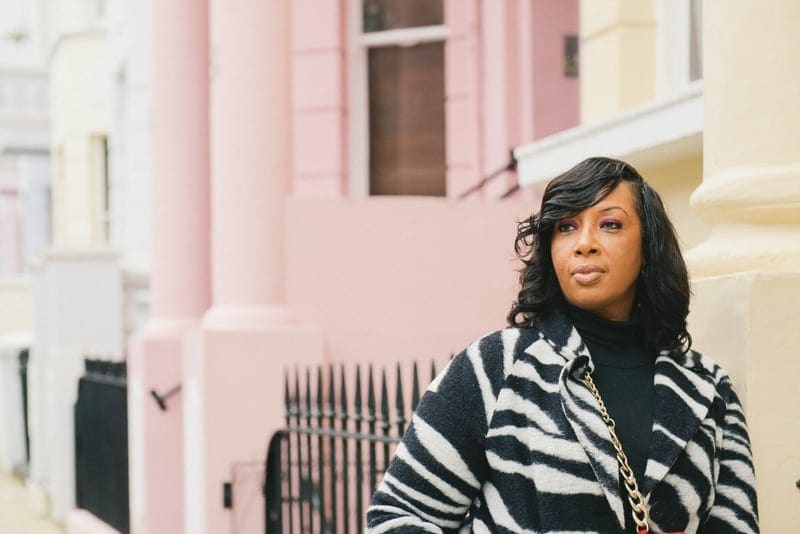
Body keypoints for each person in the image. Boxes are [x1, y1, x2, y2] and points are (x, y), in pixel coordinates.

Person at [367, 157, 758, 533]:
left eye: (609, 224)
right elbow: (398, 517)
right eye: (566, 227)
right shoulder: (495, 369)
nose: (584, 243)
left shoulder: (706, 388)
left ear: (648, 247)